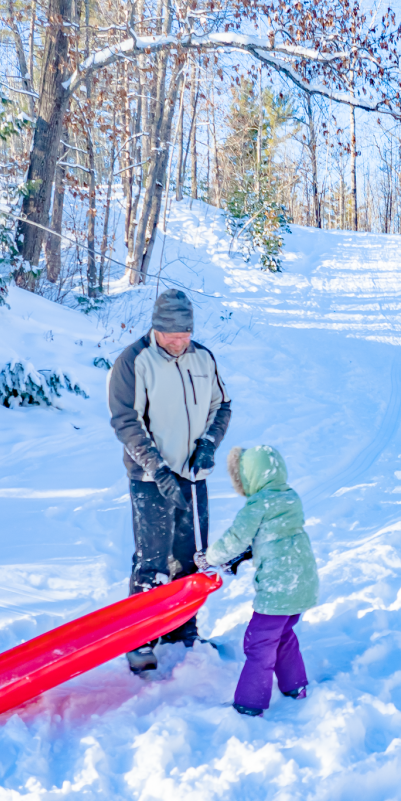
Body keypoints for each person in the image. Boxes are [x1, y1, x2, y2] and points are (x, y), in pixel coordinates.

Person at [108, 289, 232, 675]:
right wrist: (157, 469)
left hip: (194, 473)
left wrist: (209, 445)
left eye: (186, 334)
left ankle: (182, 629)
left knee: (192, 555)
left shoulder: (203, 357)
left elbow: (221, 404)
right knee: (152, 559)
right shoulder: (133, 362)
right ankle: (141, 638)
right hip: (150, 477)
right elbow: (126, 420)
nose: (180, 341)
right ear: (157, 329)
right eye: (173, 335)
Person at [195, 445, 319, 716]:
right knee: (283, 633)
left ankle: (250, 704)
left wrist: (209, 558)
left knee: (259, 641)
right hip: (303, 580)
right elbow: (276, 533)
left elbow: (235, 538)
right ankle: (295, 686)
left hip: (279, 586)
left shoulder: (257, 504)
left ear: (250, 477)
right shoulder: (289, 497)